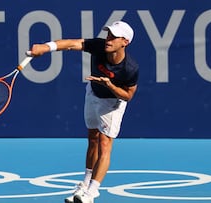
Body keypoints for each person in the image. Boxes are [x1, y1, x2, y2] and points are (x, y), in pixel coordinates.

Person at [29, 21, 139, 203]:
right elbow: (72, 44)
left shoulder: (130, 68)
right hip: (93, 93)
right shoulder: (99, 46)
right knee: (93, 139)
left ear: (125, 42)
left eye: (114, 36)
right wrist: (46, 47)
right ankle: (84, 184)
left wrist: (110, 85)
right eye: (108, 34)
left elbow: (128, 95)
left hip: (112, 103)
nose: (108, 39)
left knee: (105, 144)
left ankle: (92, 192)